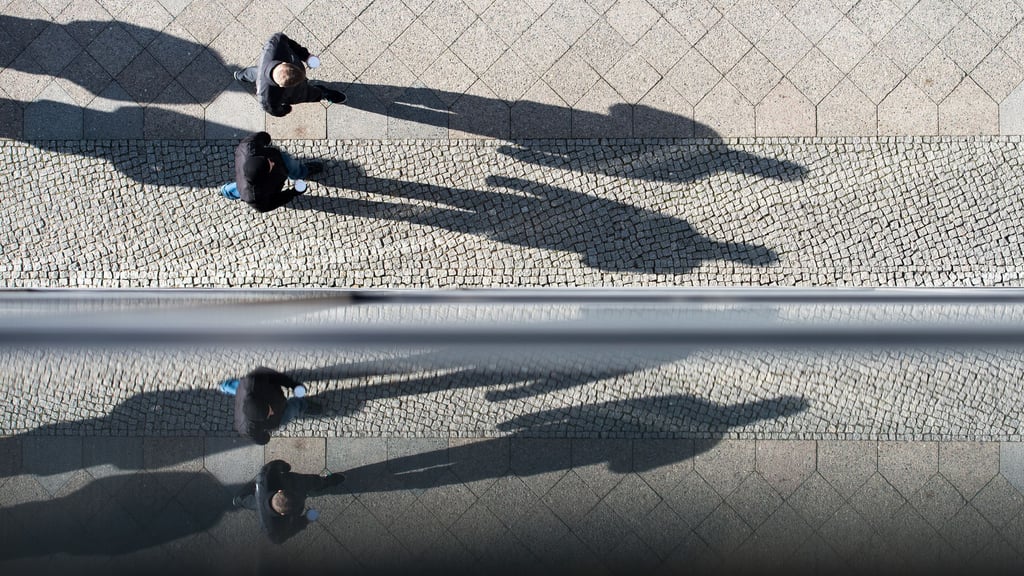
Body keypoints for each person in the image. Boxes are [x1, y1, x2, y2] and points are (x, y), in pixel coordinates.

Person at [233, 459, 345, 544]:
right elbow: (272, 465)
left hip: (263, 496)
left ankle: (239, 500)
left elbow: (281, 537)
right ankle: (328, 481)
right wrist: (285, 467)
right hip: (290, 482)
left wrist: (307, 518)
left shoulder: (270, 530)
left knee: (252, 503)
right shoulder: (264, 476)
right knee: (310, 482)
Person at [234, 32, 345, 116]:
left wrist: (305, 55)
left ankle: (240, 75)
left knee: (255, 73)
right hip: (293, 94)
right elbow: (274, 110)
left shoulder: (275, 44)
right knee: (309, 94)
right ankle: (323, 93)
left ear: (284, 63)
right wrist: (286, 109)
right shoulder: (266, 97)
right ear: (281, 86)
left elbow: (283, 38)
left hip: (265, 69)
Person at [219, 131, 321, 212]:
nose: (272, 162)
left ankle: (226, 191)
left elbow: (261, 136)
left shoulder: (248, 146)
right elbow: (272, 203)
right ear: (265, 176)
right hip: (265, 183)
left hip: (249, 180)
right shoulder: (255, 198)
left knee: (241, 186)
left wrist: (266, 139)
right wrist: (293, 192)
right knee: (244, 189)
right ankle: (302, 172)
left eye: (267, 160)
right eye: (270, 165)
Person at [227, 366, 321, 445]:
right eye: (268, 415)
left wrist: (292, 385)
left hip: (262, 393)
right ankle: (302, 406)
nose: (272, 413)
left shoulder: (254, 380)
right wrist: (264, 438)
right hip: (276, 415)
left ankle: (226, 386)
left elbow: (274, 376)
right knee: (292, 409)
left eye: (269, 410)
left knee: (242, 388)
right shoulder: (245, 428)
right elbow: (256, 438)